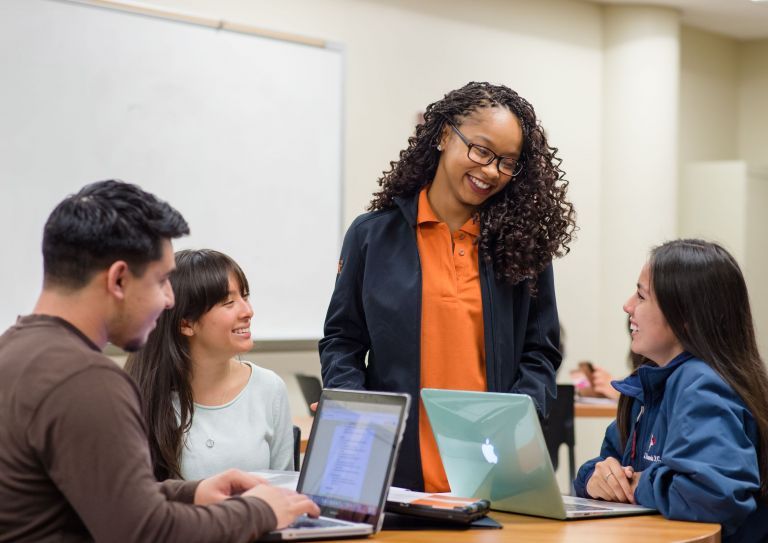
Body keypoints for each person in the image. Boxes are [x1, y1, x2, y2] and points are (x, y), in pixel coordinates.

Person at [0, 180, 318, 542]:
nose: (169, 299)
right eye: (162, 280)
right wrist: (260, 510)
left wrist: (191, 492)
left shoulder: (14, 351)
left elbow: (109, 501)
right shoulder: (86, 381)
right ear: (119, 279)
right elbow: (146, 532)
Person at [320, 82, 576, 492]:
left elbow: (540, 351)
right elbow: (342, 340)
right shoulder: (372, 236)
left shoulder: (523, 247)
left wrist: (519, 417)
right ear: (443, 136)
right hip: (394, 474)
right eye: (481, 150)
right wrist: (357, 411)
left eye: (508, 163)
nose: (492, 171)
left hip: (492, 475)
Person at [574, 239, 768, 542]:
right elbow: (607, 464)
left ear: (686, 317)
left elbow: (712, 494)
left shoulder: (702, 384)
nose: (627, 306)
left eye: (641, 295)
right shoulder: (651, 386)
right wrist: (595, 478)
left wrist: (636, 484)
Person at [125, 249, 293, 481]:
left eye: (245, 297)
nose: (248, 311)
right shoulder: (144, 397)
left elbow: (285, 491)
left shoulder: (270, 388)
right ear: (186, 324)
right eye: (228, 302)